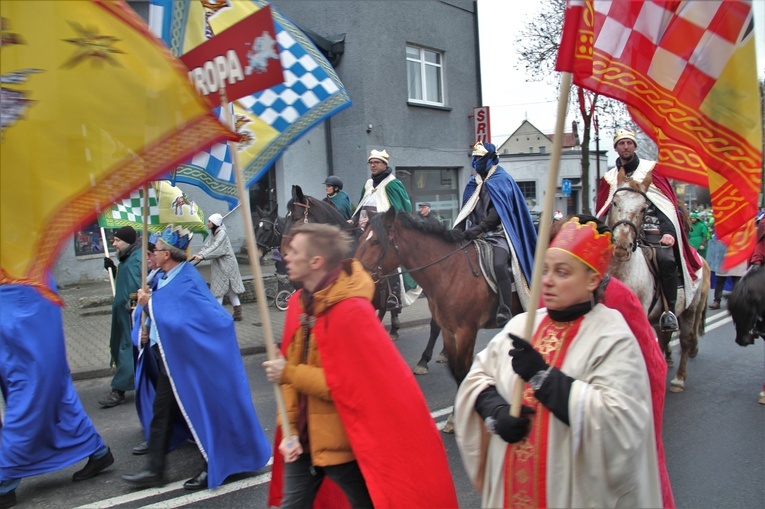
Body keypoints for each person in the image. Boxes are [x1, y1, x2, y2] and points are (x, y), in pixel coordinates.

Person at [454, 217, 662, 508]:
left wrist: (543, 378)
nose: (547, 280)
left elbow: (620, 424)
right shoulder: (521, 325)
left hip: (570, 493)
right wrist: (496, 411)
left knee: (667, 259)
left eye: (562, 273)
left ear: (592, 280)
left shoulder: (612, 336)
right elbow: (477, 378)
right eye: (546, 270)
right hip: (510, 493)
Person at [262, 223, 457, 508]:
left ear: (316, 261)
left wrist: (288, 372)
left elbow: (343, 383)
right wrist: (288, 429)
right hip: (302, 442)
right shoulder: (299, 304)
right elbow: (291, 384)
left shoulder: (351, 311)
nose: (286, 257)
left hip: (340, 446)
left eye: (293, 252)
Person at [122, 225, 271, 490]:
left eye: (155, 250)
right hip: (168, 358)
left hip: (193, 362)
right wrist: (144, 324)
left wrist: (150, 305)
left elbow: (208, 320)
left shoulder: (188, 279)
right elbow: (160, 310)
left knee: (206, 410)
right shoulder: (159, 276)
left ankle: (214, 463)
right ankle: (155, 470)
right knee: (162, 412)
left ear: (167, 254)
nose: (151, 255)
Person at [1, 278, 114, 509]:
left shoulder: (21, 267)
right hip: (24, 328)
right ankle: (98, 451)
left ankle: (5, 480)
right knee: (59, 400)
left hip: (25, 332)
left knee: (29, 400)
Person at [596, 129, 703, 332]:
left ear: (634, 146)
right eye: (621, 143)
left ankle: (669, 311)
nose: (625, 147)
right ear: (616, 148)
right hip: (619, 231)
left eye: (629, 143)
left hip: (651, 229)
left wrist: (668, 231)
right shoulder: (609, 178)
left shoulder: (650, 170)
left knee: (666, 260)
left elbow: (666, 206)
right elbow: (603, 210)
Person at [452, 141, 538, 326]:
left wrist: (478, 229)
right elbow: (466, 209)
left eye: (479, 158)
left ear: (490, 159)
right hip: (473, 233)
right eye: (474, 158)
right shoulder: (472, 182)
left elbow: (498, 213)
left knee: (499, 264)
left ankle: (505, 308)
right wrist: (457, 232)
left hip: (498, 234)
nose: (475, 162)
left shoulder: (502, 179)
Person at [350, 149, 413, 331]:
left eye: (377, 162)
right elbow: (361, 205)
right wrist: (353, 220)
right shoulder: (368, 183)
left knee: (388, 260)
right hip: (367, 228)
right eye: (371, 162)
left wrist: (386, 222)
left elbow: (402, 208)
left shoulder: (393, 184)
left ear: (385, 165)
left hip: (387, 229)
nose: (373, 165)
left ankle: (393, 297)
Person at [100, 225, 141, 407]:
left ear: (128, 241)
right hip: (122, 314)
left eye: (117, 240)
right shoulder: (128, 257)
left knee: (127, 349)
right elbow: (125, 282)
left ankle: (118, 390)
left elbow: (139, 287)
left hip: (129, 315)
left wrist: (132, 308)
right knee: (124, 347)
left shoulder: (137, 259)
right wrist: (114, 269)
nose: (114, 244)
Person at [192, 213, 245, 321]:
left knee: (218, 290)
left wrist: (202, 256)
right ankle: (237, 313)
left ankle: (216, 315)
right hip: (223, 264)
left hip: (226, 265)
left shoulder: (221, 234)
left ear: (215, 223)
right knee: (230, 291)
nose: (207, 223)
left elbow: (216, 248)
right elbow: (209, 245)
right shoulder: (215, 233)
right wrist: (200, 253)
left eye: (209, 221)